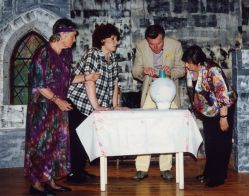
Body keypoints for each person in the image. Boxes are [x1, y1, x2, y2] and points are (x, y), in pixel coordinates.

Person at [24, 18, 99, 195]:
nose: (75, 39)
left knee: (55, 145)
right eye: (73, 36)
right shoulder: (43, 54)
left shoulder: (65, 54)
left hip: (58, 107)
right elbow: (39, 84)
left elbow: (68, 79)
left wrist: (88, 77)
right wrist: (58, 100)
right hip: (42, 108)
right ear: (63, 35)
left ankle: (50, 182)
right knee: (41, 145)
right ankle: (36, 185)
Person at [67, 23, 125, 184]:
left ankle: (80, 171)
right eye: (112, 39)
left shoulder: (112, 57)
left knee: (86, 137)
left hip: (92, 104)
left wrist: (114, 105)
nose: (116, 42)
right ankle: (74, 174)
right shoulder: (93, 54)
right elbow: (89, 81)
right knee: (77, 139)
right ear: (102, 40)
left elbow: (114, 83)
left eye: (116, 39)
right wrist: (96, 107)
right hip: (78, 102)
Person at [131, 24, 185, 180]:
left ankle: (166, 168)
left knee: (168, 130)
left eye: (158, 44)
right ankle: (141, 168)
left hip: (169, 92)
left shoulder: (175, 45)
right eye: (151, 44)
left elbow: (182, 69)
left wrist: (171, 72)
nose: (155, 47)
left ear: (164, 38)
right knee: (144, 129)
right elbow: (135, 71)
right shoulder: (141, 46)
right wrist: (143, 72)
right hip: (150, 92)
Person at [182, 45, 236, 187]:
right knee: (211, 142)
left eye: (188, 62)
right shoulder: (191, 71)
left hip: (223, 108)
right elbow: (193, 91)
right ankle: (209, 172)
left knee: (221, 142)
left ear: (198, 63)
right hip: (209, 110)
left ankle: (219, 176)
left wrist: (223, 119)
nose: (186, 65)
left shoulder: (213, 71)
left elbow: (223, 96)